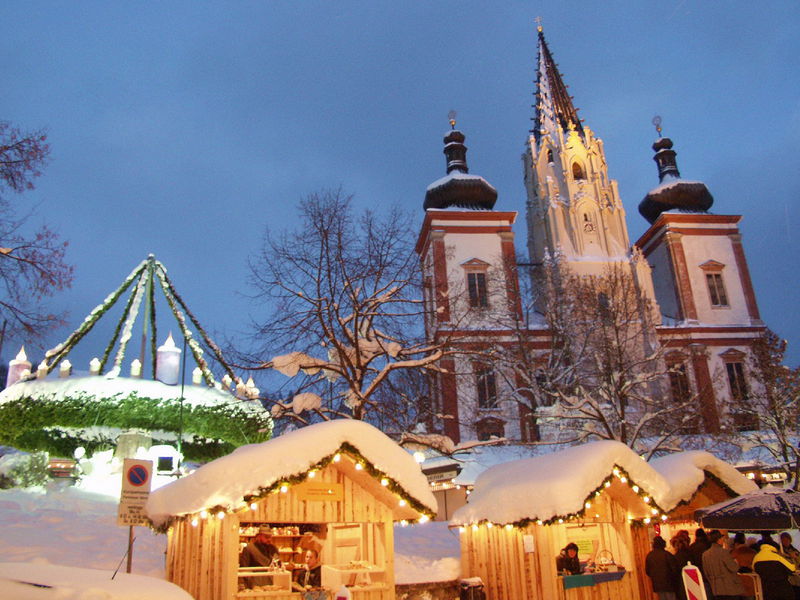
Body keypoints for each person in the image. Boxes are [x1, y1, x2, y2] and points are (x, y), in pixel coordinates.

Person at [702, 530, 746, 600]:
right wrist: (736, 563)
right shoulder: (724, 552)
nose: (723, 540)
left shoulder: (705, 555)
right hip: (729, 588)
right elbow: (734, 568)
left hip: (716, 589)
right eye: (722, 538)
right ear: (718, 539)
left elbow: (706, 572)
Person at [646, 536, 679, 600]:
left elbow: (647, 571)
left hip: (657, 585)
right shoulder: (667, 555)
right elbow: (675, 570)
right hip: (669, 585)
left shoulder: (650, 556)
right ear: (663, 544)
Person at [671, 535, 692, 600]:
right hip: (691, 581)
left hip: (680, 584)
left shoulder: (676, 557)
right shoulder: (689, 554)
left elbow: (675, 571)